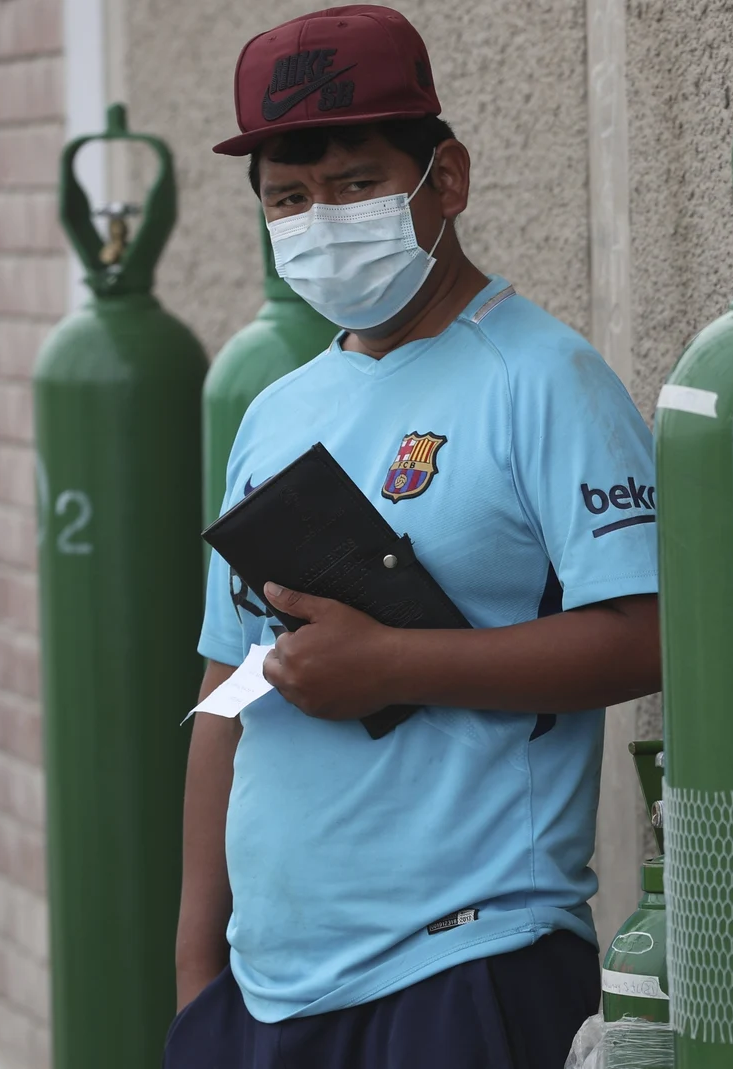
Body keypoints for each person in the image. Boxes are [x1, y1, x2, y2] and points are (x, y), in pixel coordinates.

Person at [165, 7, 660, 1066]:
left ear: (447, 178)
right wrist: (196, 977)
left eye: (355, 183)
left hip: (466, 967)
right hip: (262, 990)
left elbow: (647, 634)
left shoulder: (545, 380)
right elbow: (228, 688)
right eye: (289, 198)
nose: (321, 218)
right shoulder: (275, 412)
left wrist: (393, 663)